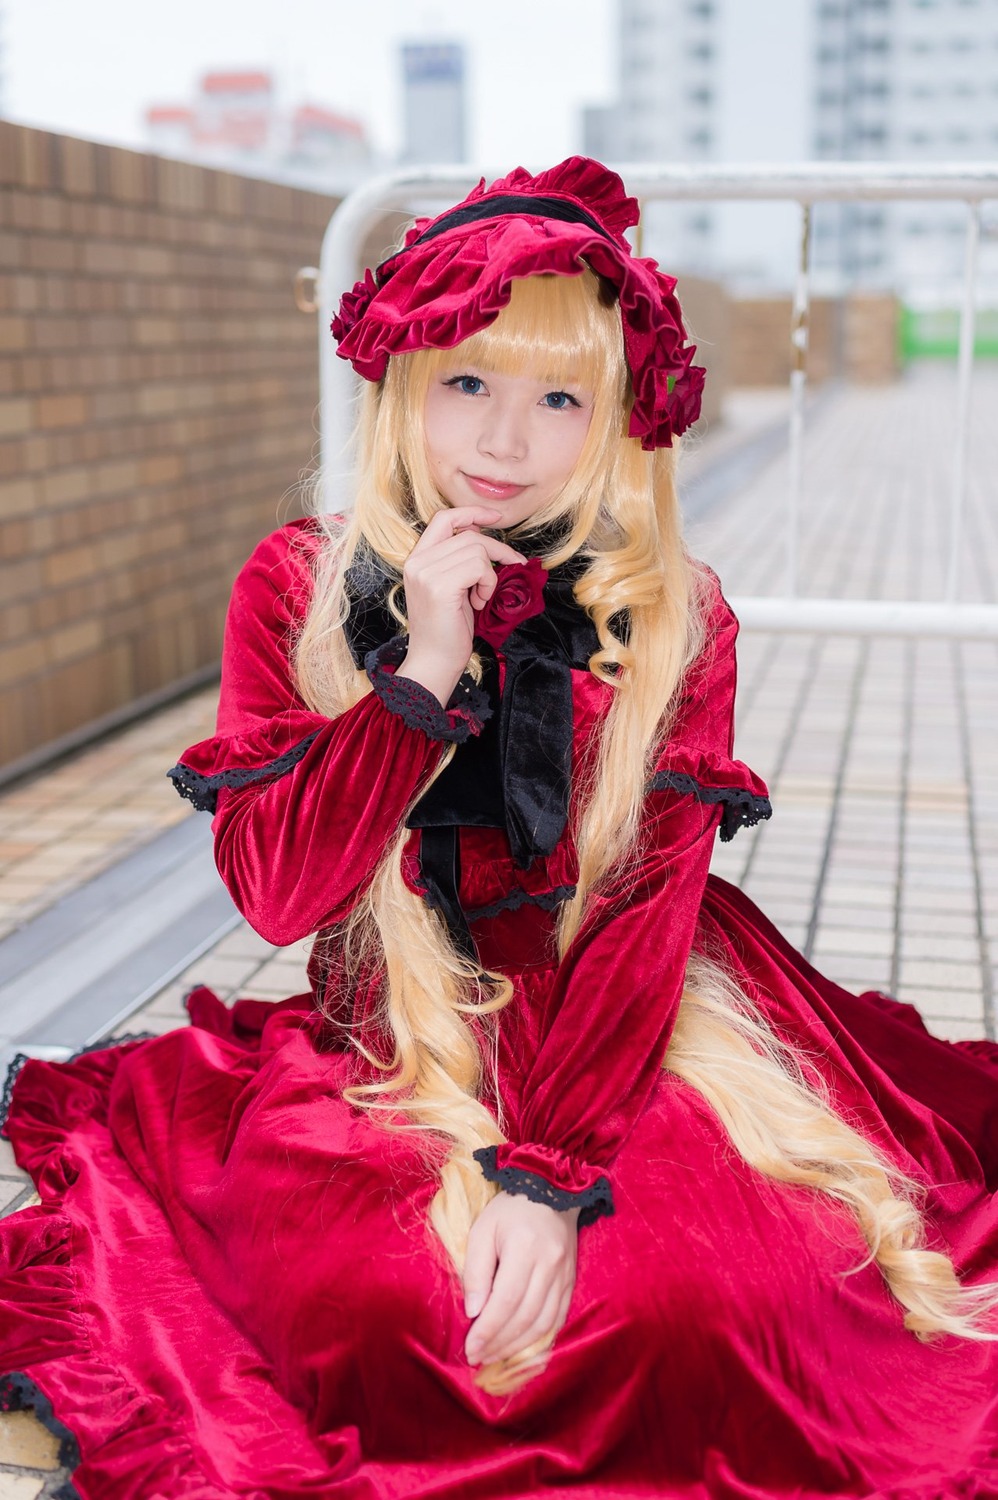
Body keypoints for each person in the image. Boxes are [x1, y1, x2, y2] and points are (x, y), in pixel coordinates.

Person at [1, 156, 996, 1499]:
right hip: (396, 1016)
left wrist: (548, 1174)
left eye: (558, 397)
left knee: (699, 1304)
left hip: (630, 1001)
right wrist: (420, 674)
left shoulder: (673, 603)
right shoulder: (296, 578)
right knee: (393, 1318)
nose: (503, 440)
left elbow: (648, 906)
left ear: (618, 420)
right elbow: (284, 896)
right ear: (404, 382)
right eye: (466, 380)